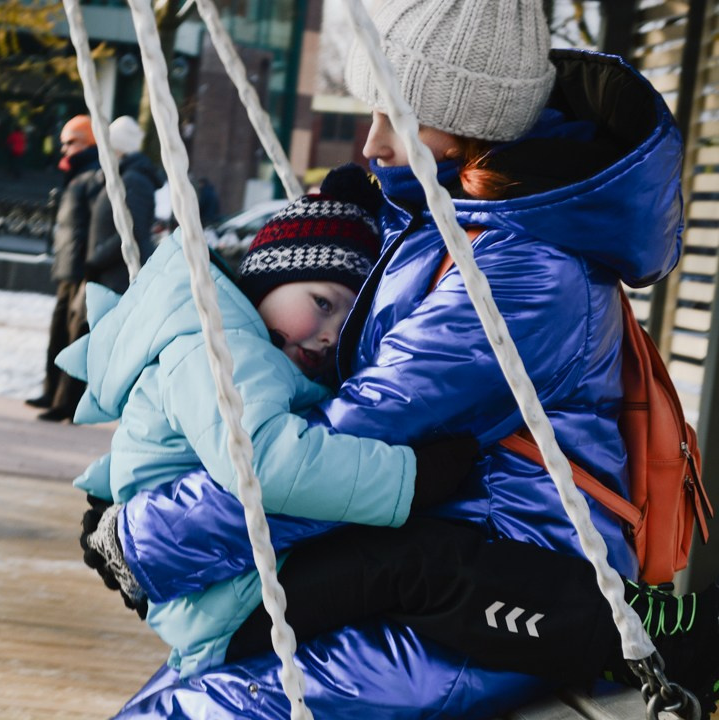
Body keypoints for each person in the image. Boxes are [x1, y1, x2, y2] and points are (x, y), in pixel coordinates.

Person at [77, 1, 717, 717]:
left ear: (476, 124)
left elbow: (350, 439)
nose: (373, 145)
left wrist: (146, 536)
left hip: (489, 584)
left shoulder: (521, 272)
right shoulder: (445, 219)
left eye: (398, 119)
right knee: (179, 690)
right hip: (412, 555)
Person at [59, 166, 480, 677]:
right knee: (410, 565)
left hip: (229, 584)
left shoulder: (251, 353)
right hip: (222, 601)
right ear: (270, 277)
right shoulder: (216, 348)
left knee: (400, 576)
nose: (329, 335)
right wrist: (410, 480)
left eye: (345, 323)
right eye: (322, 303)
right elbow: (267, 464)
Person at [26, 115, 102, 422]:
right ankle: (51, 390)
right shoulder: (77, 173)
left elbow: (94, 224)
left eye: (73, 142)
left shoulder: (93, 173)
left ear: (90, 142)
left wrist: (88, 263)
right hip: (69, 264)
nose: (66, 149)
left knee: (74, 335)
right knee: (59, 331)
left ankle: (65, 400)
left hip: (82, 266)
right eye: (64, 143)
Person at [84, 116, 164, 294]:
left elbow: (132, 231)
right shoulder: (122, 177)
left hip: (119, 279)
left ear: (119, 148)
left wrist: (96, 261)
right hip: (111, 275)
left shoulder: (134, 181)